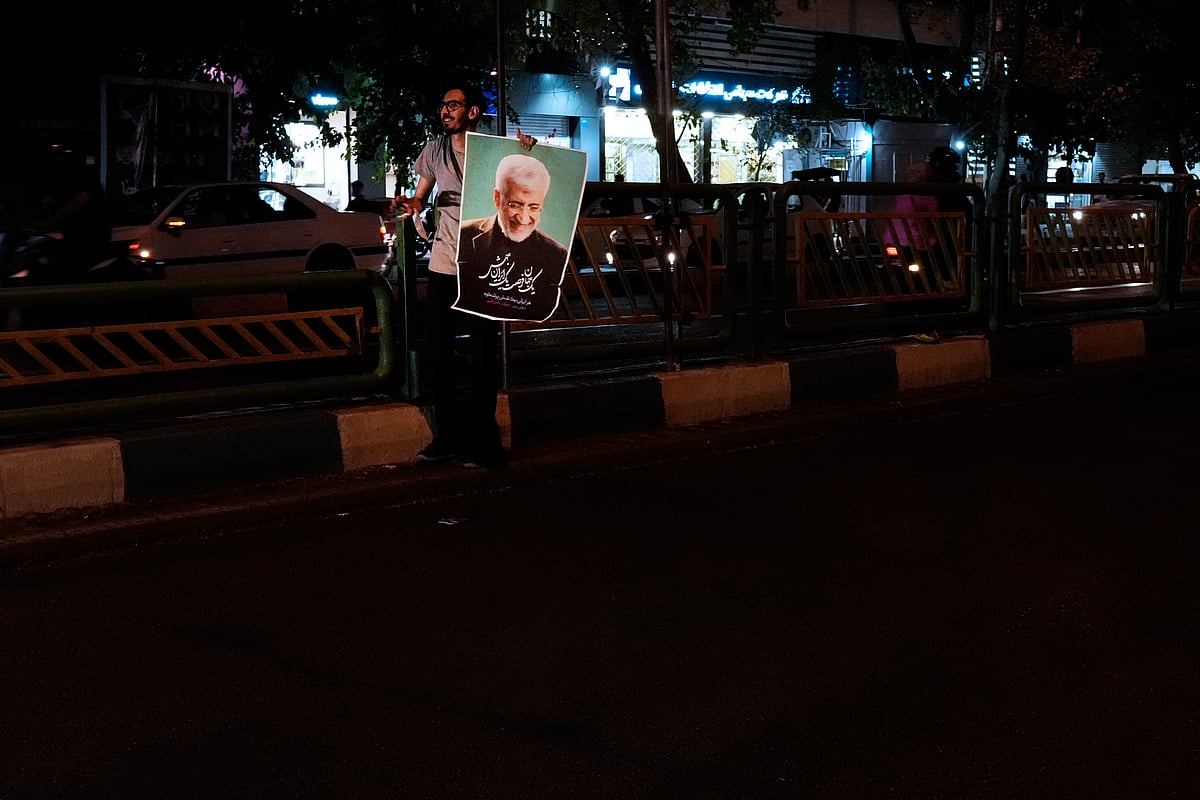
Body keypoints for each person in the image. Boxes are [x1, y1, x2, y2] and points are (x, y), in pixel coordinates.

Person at [391, 83, 537, 469]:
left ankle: (485, 442)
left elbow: (524, 181)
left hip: (482, 264)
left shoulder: (494, 151)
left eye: (453, 105)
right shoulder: (435, 150)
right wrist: (411, 204)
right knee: (437, 352)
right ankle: (448, 436)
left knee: (482, 352)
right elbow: (421, 194)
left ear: (471, 112)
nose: (445, 111)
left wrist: (528, 148)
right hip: (443, 263)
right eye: (443, 105)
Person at [457, 153, 568, 323]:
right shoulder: (465, 234)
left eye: (533, 207)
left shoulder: (556, 253)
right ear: (497, 198)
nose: (523, 219)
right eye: (515, 205)